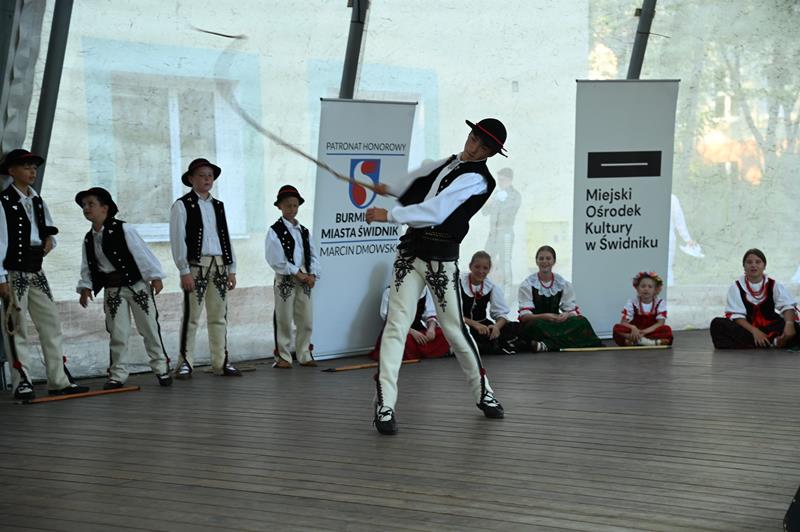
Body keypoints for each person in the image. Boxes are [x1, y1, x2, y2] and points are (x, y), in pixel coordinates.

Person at [365, 117, 509, 435]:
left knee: (454, 329)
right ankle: (384, 403)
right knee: (396, 325)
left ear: (490, 153)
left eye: (483, 146)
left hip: (440, 260)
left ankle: (483, 392)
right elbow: (419, 180)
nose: (474, 146)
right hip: (410, 252)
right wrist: (389, 188)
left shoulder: (478, 180)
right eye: (474, 138)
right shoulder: (448, 162)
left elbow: (437, 210)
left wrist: (390, 214)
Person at [0, 149, 89, 400]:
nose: (32, 172)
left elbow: (47, 229)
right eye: (26, 167)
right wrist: (1, 277)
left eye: (34, 168)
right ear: (11, 171)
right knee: (16, 326)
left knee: (50, 322)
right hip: (13, 270)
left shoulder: (37, 199)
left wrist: (49, 241)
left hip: (36, 268)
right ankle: (22, 381)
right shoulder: (3, 202)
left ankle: (58, 379)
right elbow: (0, 241)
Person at [75, 187, 173, 389]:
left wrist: (154, 276)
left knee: (149, 328)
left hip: (136, 286)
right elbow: (88, 265)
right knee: (118, 332)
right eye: (84, 205)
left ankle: (161, 368)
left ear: (105, 208)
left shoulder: (124, 229)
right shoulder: (89, 238)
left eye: (91, 204)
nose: (86, 208)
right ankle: (118, 374)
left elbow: (141, 253)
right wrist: (86, 287)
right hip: (112, 289)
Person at [169, 158, 241, 379]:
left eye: (210, 175)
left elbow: (225, 236)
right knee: (191, 317)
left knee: (219, 316)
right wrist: (184, 270)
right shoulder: (182, 205)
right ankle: (185, 362)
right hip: (196, 266)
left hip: (219, 265)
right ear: (191, 179)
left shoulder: (218, 205)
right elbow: (178, 239)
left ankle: (221, 361)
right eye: (201, 175)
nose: (207, 179)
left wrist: (231, 267)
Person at [265, 185, 320, 368]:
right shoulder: (275, 231)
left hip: (305, 277)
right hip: (286, 278)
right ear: (279, 206)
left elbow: (313, 254)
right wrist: (297, 273)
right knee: (284, 317)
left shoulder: (304, 231)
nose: (292, 209)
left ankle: (304, 353)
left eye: (295, 205)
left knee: (306, 318)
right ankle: (283, 356)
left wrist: (313, 274)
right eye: (288, 205)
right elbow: (275, 259)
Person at [709, 248, 799, 349]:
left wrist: (789, 324)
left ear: (764, 266)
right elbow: (736, 316)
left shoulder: (774, 285)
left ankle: (757, 343)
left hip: (770, 325)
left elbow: (787, 306)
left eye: (758, 262)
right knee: (717, 324)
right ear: (744, 266)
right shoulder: (736, 287)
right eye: (749, 262)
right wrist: (755, 331)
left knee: (796, 327)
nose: (753, 265)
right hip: (747, 328)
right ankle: (773, 341)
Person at [518, 245, 601, 352]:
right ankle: (566, 343)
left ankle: (546, 345)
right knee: (536, 326)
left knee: (581, 321)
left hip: (555, 321)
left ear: (554, 261)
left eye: (548, 258)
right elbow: (525, 317)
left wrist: (566, 315)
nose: (544, 261)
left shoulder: (562, 283)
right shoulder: (528, 284)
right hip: (537, 322)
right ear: (536, 261)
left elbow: (571, 310)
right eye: (541, 258)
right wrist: (545, 316)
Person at [368, 285, 450, 361]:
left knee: (444, 333)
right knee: (403, 340)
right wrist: (411, 331)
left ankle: (418, 351)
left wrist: (431, 329)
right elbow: (389, 319)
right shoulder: (390, 291)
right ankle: (429, 351)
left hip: (418, 328)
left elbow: (430, 314)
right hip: (398, 329)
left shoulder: (425, 290)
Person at [460, 250, 519, 355]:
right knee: (465, 333)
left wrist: (496, 327)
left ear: (489, 270)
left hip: (482, 325)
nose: (481, 271)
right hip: (461, 323)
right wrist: (475, 324)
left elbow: (501, 314)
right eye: (477, 267)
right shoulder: (458, 283)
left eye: (485, 268)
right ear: (470, 266)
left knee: (511, 328)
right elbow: (452, 314)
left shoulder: (491, 287)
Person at [482, 167, 520, 296]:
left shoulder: (515, 195)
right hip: (492, 234)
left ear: (509, 179)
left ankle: (507, 296)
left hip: (505, 233)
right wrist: (489, 201)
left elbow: (509, 213)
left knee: (505, 264)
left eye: (502, 179)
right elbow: (485, 212)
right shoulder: (497, 194)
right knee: (485, 260)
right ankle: (484, 294)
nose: (500, 182)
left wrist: (500, 199)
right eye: (499, 179)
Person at [612, 271, 673, 346]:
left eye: (650, 287)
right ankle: (651, 342)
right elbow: (623, 322)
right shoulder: (632, 303)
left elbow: (660, 323)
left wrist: (645, 331)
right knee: (617, 328)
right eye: (643, 286)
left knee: (667, 329)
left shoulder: (660, 303)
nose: (646, 289)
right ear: (637, 288)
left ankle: (638, 341)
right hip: (635, 332)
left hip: (651, 331)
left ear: (655, 290)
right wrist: (633, 328)